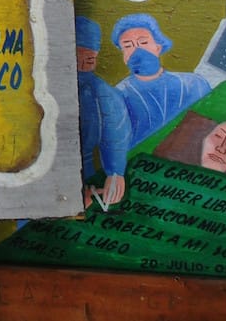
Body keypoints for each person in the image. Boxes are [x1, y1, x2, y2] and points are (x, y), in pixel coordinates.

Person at [112, 12, 212, 147]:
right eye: (128, 46)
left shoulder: (194, 85)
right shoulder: (118, 96)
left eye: (143, 42)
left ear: (158, 47)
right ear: (124, 56)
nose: (137, 50)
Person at [75, 16, 131, 208]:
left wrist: (115, 172)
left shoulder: (102, 92)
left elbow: (116, 131)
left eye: (91, 56)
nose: (86, 61)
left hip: (86, 169)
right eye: (80, 54)